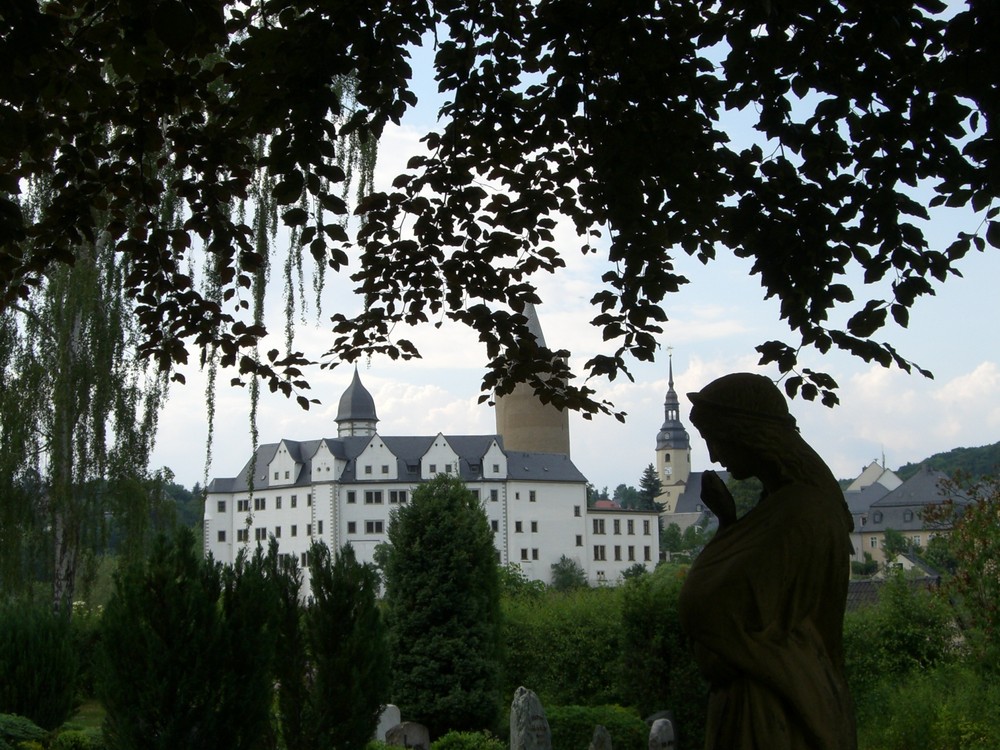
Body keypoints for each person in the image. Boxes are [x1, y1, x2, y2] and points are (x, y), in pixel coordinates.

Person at [677, 373, 857, 750]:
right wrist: (729, 525)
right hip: (767, 697)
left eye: (715, 439)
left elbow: (720, 608)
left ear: (744, 431)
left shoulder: (800, 511)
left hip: (773, 710)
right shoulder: (785, 506)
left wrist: (729, 533)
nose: (713, 456)